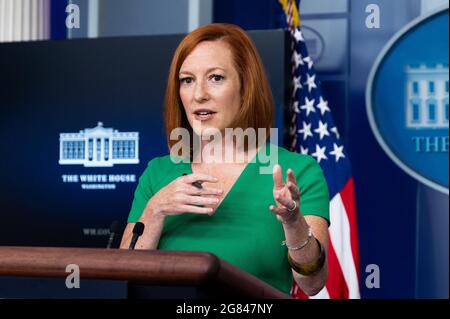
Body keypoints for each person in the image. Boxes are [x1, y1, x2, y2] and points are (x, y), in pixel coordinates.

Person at [120, 23, 330, 296]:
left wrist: (293, 223)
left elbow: (312, 284)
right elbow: (122, 277)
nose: (199, 95)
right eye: (187, 80)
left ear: (246, 87)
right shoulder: (158, 171)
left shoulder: (299, 171)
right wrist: (155, 210)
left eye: (216, 78)